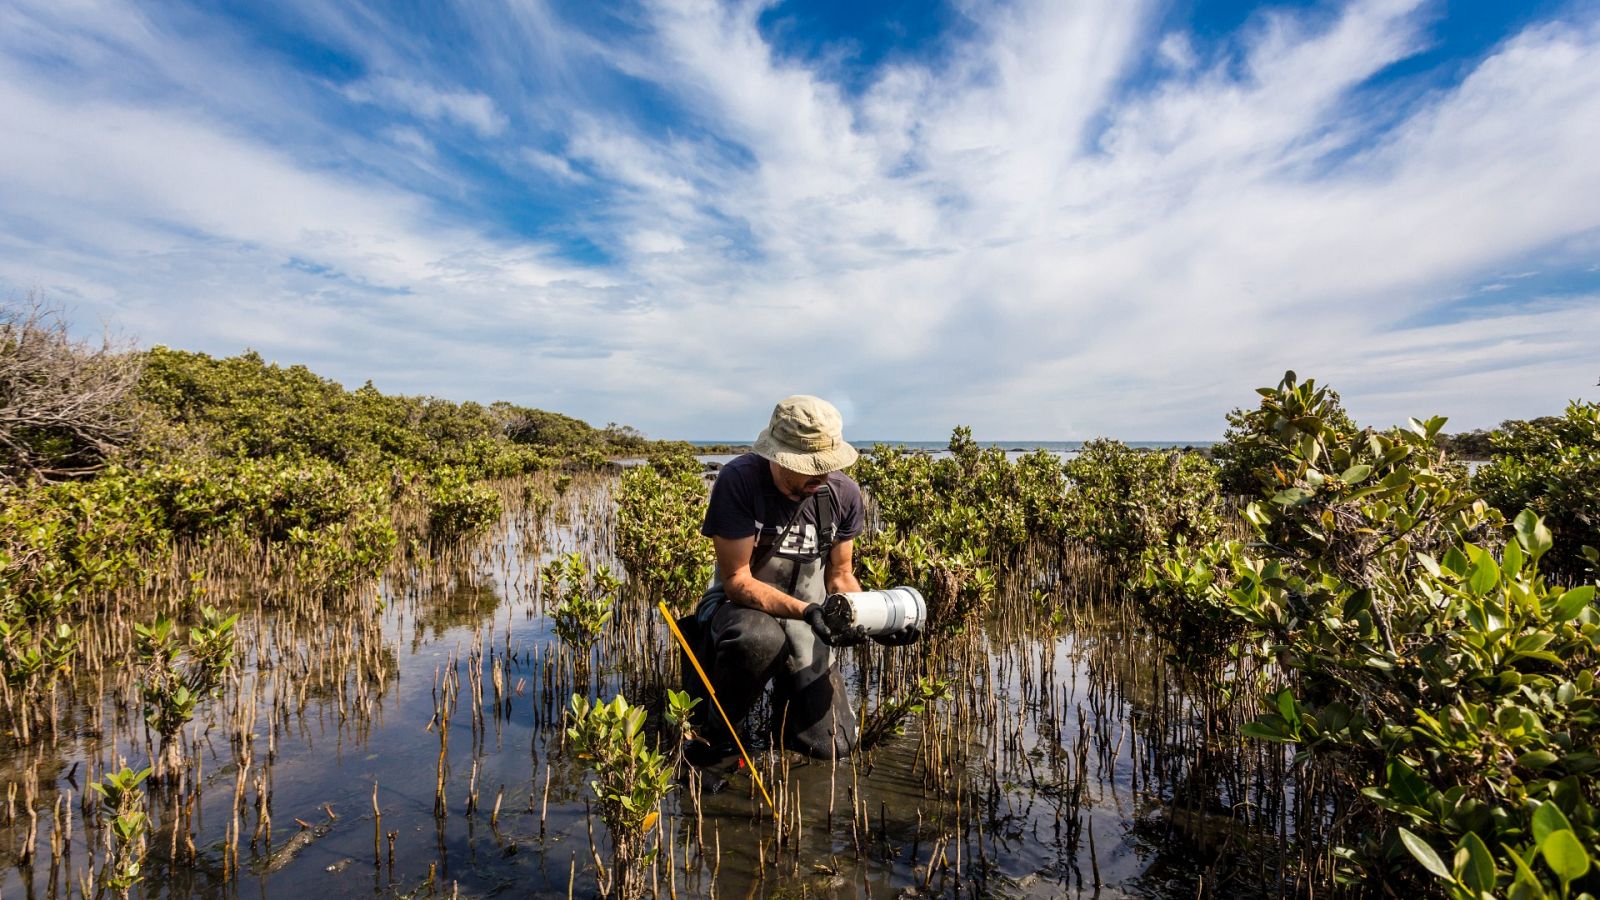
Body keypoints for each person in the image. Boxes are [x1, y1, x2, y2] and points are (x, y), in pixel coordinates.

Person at [687, 395, 919, 766]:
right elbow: (736, 581)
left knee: (831, 748)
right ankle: (718, 739)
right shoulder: (740, 481)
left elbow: (841, 576)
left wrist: (876, 620)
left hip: (809, 620)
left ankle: (786, 709)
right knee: (759, 639)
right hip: (740, 612)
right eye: (809, 468)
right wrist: (808, 611)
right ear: (778, 457)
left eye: (827, 467)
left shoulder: (842, 493)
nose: (821, 477)